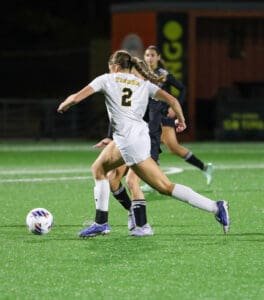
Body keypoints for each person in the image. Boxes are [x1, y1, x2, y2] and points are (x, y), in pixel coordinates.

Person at [57, 50, 230, 237]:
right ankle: (101, 222)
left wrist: (64, 105)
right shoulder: (143, 84)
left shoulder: (106, 79)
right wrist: (181, 120)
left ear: (114, 67)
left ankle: (215, 207)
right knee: (98, 168)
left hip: (130, 143)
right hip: (136, 137)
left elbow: (76, 97)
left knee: (164, 186)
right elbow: (172, 100)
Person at [141, 45, 214, 193]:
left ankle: (205, 167)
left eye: (153, 55)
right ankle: (205, 168)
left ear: (159, 57)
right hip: (150, 115)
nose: (150, 58)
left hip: (162, 115)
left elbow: (182, 89)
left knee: (170, 147)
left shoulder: (163, 74)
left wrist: (174, 107)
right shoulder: (142, 74)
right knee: (154, 145)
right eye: (147, 55)